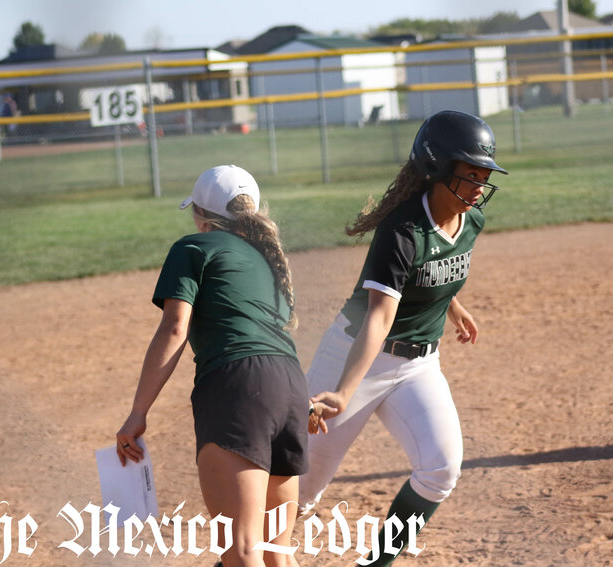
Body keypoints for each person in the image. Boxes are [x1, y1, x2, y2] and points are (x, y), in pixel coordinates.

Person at [300, 110, 508, 566]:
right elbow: (379, 315)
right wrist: (342, 392)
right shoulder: (401, 230)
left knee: (440, 469)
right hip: (353, 359)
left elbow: (435, 271)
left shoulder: (469, 221)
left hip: (417, 366)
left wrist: (452, 306)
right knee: (297, 490)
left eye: (485, 175)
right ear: (436, 168)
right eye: (469, 174)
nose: (479, 186)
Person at [116, 165, 309, 567]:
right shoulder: (269, 259)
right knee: (277, 553)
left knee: (242, 550)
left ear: (202, 217)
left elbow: (174, 328)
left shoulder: (194, 248)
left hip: (237, 389)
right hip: (291, 387)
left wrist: (138, 413)